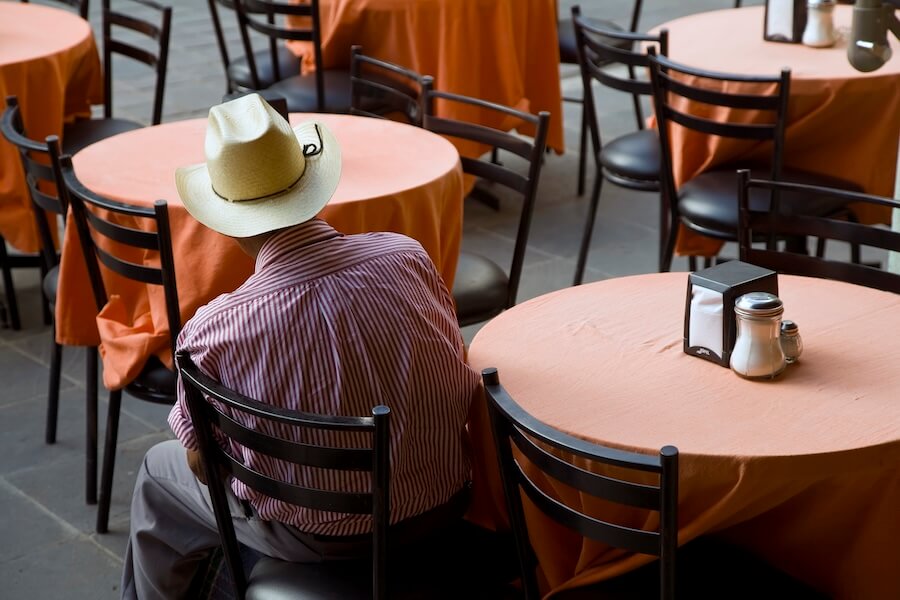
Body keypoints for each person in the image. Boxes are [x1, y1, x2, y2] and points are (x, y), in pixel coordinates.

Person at [121, 93, 479, 599]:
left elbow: (203, 467)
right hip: (447, 501)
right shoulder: (408, 256)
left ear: (224, 219)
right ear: (312, 186)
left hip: (319, 538)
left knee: (159, 471)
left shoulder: (213, 330)